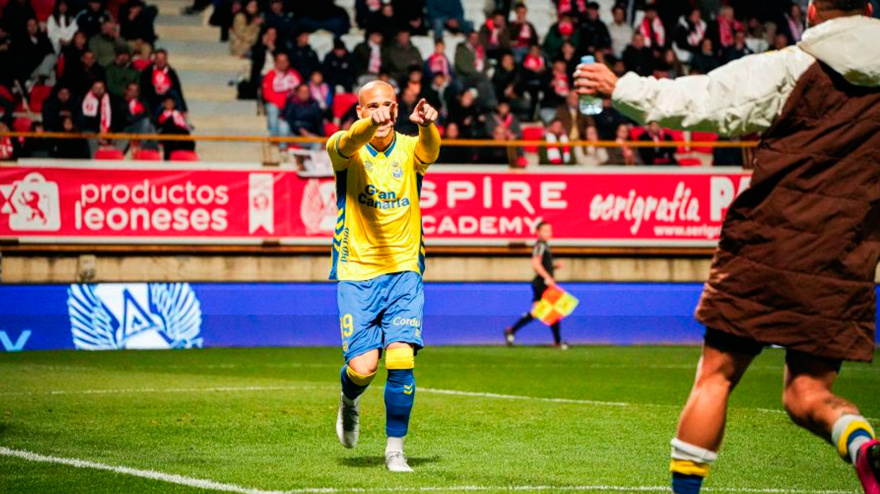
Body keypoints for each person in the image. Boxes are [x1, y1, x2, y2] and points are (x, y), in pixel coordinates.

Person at [574, 1, 880, 493]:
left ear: (813, 11)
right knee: (809, 392)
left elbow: (703, 101)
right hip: (845, 257)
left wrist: (620, 88)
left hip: (769, 240)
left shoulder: (791, 66)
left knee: (716, 376)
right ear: (867, 10)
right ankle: (864, 447)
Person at [326, 80, 440, 473]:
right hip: (356, 272)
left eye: (388, 106)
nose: (381, 113)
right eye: (372, 106)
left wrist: (427, 125)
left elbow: (431, 151)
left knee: (401, 358)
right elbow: (345, 143)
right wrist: (366, 124)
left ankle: (395, 449)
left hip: (405, 270)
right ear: (359, 112)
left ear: (397, 109)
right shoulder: (345, 150)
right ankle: (350, 399)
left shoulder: (409, 148)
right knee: (363, 368)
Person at [504, 221, 567, 349]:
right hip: (541, 283)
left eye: (549, 230)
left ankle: (511, 330)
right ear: (537, 232)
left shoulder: (545, 246)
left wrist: (554, 266)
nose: (548, 233)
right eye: (544, 230)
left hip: (540, 282)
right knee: (554, 310)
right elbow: (535, 263)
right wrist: (548, 277)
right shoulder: (540, 245)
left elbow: (542, 264)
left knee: (538, 312)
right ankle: (557, 342)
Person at [263, 52, 299, 148]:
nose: (282, 63)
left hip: (291, 107)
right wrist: (282, 102)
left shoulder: (294, 74)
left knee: (284, 127)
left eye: (285, 61)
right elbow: (267, 95)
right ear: (275, 63)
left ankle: (282, 149)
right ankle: (273, 138)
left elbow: (300, 92)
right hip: (276, 106)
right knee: (272, 108)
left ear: (288, 62)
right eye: (280, 61)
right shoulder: (270, 75)